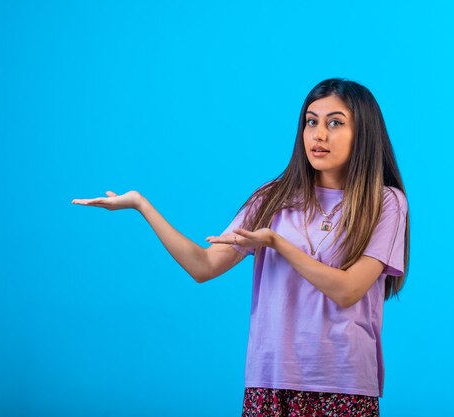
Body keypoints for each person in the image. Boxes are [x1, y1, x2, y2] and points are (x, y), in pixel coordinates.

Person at [72, 77, 409, 417]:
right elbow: (203, 266)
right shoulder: (272, 198)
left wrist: (278, 243)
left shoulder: (384, 202)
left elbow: (349, 290)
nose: (319, 135)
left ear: (363, 133)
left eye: (335, 123)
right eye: (311, 122)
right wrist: (142, 206)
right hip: (269, 380)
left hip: (342, 383)